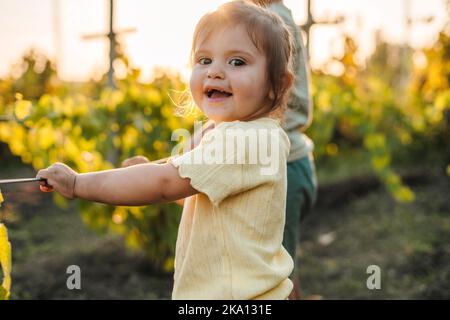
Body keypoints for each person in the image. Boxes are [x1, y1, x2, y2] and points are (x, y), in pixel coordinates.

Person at [36, 0, 296, 299]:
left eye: (237, 62)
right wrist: (149, 166)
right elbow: (197, 194)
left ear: (276, 84)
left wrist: (77, 183)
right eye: (204, 60)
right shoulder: (247, 135)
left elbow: (164, 184)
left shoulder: (245, 140)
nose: (214, 72)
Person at [251, 0, 317, 300]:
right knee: (283, 264)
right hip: (296, 162)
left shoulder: (268, 22)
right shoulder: (279, 16)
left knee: (277, 279)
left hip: (283, 168)